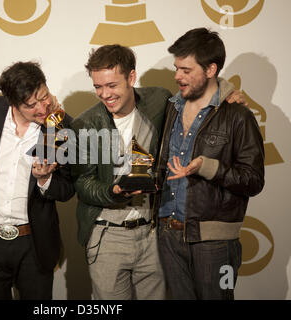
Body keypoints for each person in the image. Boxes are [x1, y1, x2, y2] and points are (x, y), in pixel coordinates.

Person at [70, 44, 245, 300]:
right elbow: (83, 183)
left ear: (131, 77)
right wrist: (112, 191)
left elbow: (202, 92)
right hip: (107, 235)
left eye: (112, 85)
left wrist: (228, 92)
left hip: (152, 234)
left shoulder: (158, 101)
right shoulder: (85, 123)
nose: (104, 94)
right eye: (98, 87)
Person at [154, 28, 265, 300]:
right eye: (176, 68)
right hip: (168, 233)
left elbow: (253, 180)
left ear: (211, 69)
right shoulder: (171, 107)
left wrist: (208, 166)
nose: (177, 76)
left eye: (186, 70)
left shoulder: (238, 116)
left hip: (215, 243)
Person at [0, 61, 75, 300]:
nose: (42, 107)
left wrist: (45, 180)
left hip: (33, 243)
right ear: (12, 103)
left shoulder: (62, 127)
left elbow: (67, 188)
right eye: (31, 105)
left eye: (44, 96)